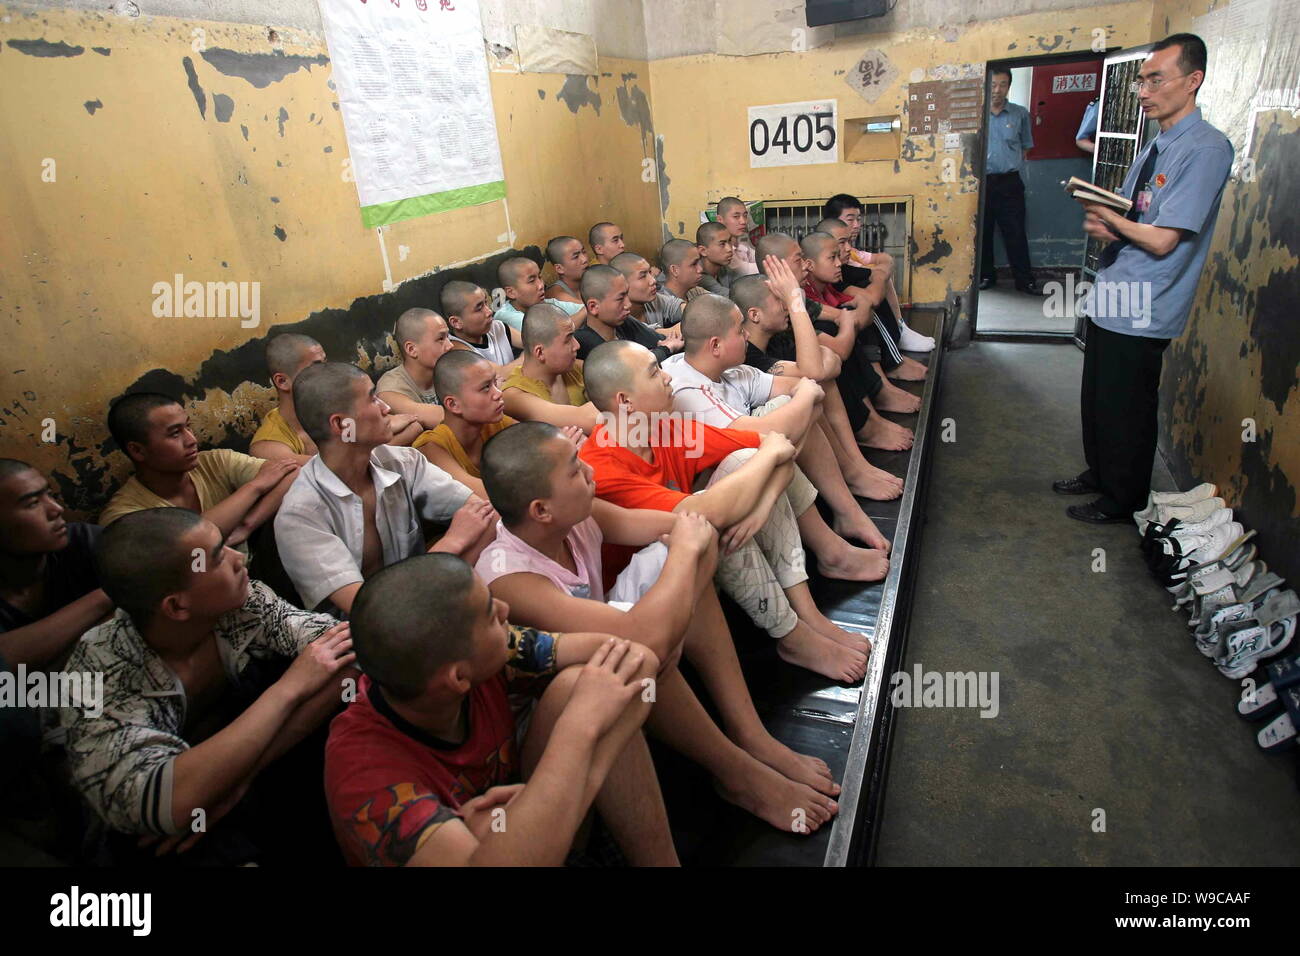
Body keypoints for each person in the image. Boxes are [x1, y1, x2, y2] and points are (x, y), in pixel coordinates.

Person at [476, 423, 841, 829]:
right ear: (541, 510)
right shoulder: (511, 578)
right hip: (548, 721)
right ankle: (736, 772)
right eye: (575, 471)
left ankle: (749, 732)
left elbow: (691, 521)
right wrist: (684, 557)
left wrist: (758, 502)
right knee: (634, 647)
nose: (590, 473)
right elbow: (638, 637)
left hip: (615, 649)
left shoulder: (576, 514)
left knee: (686, 556)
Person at [324, 552, 675, 866]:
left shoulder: (480, 656)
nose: (506, 609)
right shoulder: (363, 771)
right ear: (458, 677)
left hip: (520, 830)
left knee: (588, 685)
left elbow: (634, 658)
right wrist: (578, 735)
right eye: (491, 614)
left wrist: (543, 803)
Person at [59, 507, 357, 865]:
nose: (239, 558)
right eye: (216, 558)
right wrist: (289, 689)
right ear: (176, 606)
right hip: (162, 832)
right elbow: (162, 803)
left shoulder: (244, 601)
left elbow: (353, 652)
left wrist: (241, 777)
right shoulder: (98, 673)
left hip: (245, 768)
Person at [579, 340, 872, 683]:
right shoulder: (603, 465)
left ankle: (806, 611)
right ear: (624, 401)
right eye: (654, 372)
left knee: (744, 465)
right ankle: (789, 634)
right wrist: (764, 468)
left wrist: (761, 506)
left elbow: (778, 447)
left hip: (691, 554)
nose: (667, 378)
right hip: (641, 598)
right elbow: (700, 513)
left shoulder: (661, 427)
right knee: (713, 515)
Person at [1059, 34, 1232, 524]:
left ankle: (1124, 497)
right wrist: (1106, 216)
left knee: (1126, 407)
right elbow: (1135, 212)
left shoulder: (1205, 150)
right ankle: (1100, 473)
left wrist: (1110, 222)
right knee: (1097, 396)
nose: (1142, 90)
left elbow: (1161, 240)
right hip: (1117, 290)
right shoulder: (1156, 144)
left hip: (1146, 301)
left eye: (1156, 79)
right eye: (1142, 79)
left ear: (1192, 80)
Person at [664, 291, 894, 550]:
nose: (747, 335)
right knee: (786, 417)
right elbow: (761, 435)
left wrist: (805, 397)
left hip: (750, 466)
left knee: (797, 410)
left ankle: (846, 513)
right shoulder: (686, 388)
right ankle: (832, 547)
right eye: (740, 331)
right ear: (715, 345)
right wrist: (804, 398)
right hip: (699, 498)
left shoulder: (734, 371)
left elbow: (812, 386)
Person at [273, 362, 495, 615]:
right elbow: (370, 611)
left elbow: (486, 515)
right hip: (362, 642)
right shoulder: (300, 515)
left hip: (428, 604)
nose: (386, 408)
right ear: (342, 426)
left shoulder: (402, 463)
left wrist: (439, 590)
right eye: (372, 399)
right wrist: (451, 545)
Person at [0, 459, 112, 863]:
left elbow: (159, 553)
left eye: (50, 493)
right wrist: (103, 597)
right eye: (32, 502)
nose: (56, 509)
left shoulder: (80, 544)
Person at [730, 271, 904, 500]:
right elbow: (816, 370)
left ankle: (856, 465)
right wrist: (794, 304)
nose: (787, 306)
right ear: (754, 315)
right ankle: (851, 474)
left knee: (821, 380)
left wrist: (816, 367)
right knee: (810, 386)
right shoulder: (748, 356)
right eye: (779, 300)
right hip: (757, 434)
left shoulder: (777, 336)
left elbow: (831, 363)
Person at [755, 233, 916, 448]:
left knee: (841, 324)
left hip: (809, 362)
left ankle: (874, 409)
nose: (806, 266)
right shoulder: (775, 304)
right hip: (777, 369)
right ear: (776, 268)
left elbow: (856, 312)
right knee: (833, 342)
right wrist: (848, 322)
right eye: (798, 260)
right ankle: (865, 428)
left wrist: (847, 319)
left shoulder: (799, 294)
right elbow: (836, 349)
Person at [101, 392, 299, 550]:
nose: (192, 440)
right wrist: (254, 487)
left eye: (188, 427)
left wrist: (247, 525)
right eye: (175, 433)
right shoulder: (124, 518)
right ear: (137, 450)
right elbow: (191, 540)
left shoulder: (215, 462)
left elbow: (294, 472)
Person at [800, 233, 922, 415]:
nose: (839, 262)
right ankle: (877, 396)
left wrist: (860, 308)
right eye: (832, 257)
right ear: (809, 263)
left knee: (854, 315)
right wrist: (859, 309)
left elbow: (866, 305)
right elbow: (856, 317)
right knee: (840, 327)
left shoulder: (828, 283)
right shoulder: (802, 293)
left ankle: (883, 383)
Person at [822, 194, 935, 352]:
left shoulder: (851, 251)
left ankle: (900, 328)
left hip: (854, 298)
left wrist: (880, 271)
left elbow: (885, 259)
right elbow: (872, 295)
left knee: (876, 276)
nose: (856, 225)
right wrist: (878, 274)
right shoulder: (830, 263)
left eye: (859, 219)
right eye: (850, 219)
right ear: (833, 221)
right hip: (845, 304)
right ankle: (896, 338)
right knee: (872, 287)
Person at [414, 350, 517, 498]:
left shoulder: (492, 423)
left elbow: (536, 441)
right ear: (453, 404)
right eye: (486, 387)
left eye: (495, 383)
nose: (498, 393)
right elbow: (483, 496)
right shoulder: (432, 448)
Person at [980, 67, 1045, 295]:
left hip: (1010, 182)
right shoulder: (977, 114)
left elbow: (1025, 147)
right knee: (983, 232)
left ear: (1009, 86)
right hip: (982, 183)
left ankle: (1024, 280)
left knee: (1016, 232)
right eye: (993, 84)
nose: (997, 90)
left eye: (1003, 84)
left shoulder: (1019, 114)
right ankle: (986, 276)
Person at [502, 303, 601, 434]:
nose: (577, 345)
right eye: (568, 339)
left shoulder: (574, 368)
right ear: (540, 352)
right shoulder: (513, 396)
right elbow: (590, 420)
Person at [574, 265, 683, 364]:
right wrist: (664, 350)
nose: (628, 304)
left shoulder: (624, 323)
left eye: (627, 294)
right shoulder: (583, 341)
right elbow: (630, 370)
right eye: (620, 299)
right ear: (593, 307)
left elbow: (662, 340)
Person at [250, 333, 327, 464]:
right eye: (316, 368)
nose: (329, 373)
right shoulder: (268, 446)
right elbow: (336, 471)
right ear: (282, 381)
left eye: (326, 364)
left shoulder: (333, 407)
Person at [375, 308, 454, 432]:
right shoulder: (390, 389)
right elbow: (447, 419)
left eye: (448, 337)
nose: (450, 345)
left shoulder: (448, 367)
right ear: (412, 349)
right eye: (440, 339)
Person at [441, 280, 522, 370]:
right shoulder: (457, 350)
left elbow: (533, 343)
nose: (489, 312)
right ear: (456, 322)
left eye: (486, 302)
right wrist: (530, 355)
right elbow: (501, 374)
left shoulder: (496, 327)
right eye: (479, 308)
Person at [493, 255, 586, 332]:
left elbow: (581, 309)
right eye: (532, 281)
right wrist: (586, 311)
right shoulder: (505, 316)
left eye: (540, 277)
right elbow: (553, 334)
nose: (541, 285)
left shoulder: (546, 304)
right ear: (511, 292)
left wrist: (588, 309)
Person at [610, 252, 683, 332]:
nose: (653, 280)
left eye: (650, 272)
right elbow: (650, 335)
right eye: (643, 276)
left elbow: (677, 306)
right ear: (623, 284)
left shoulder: (652, 300)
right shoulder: (618, 318)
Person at [716, 196, 759, 276]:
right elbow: (747, 270)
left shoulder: (741, 243)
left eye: (745, 216)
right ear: (720, 220)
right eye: (736, 217)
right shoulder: (723, 249)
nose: (743, 222)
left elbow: (758, 255)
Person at [544, 236, 591, 307]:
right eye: (575, 257)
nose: (584, 259)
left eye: (584, 252)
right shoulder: (556, 295)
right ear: (559, 268)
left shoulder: (591, 281)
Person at [658, 238, 706, 304]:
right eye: (694, 264)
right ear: (675, 270)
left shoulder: (696, 292)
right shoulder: (662, 304)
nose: (700, 269)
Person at [695, 221, 737, 296]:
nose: (730, 249)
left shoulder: (724, 267)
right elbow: (732, 296)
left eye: (729, 241)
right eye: (722, 244)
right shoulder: (698, 276)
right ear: (703, 251)